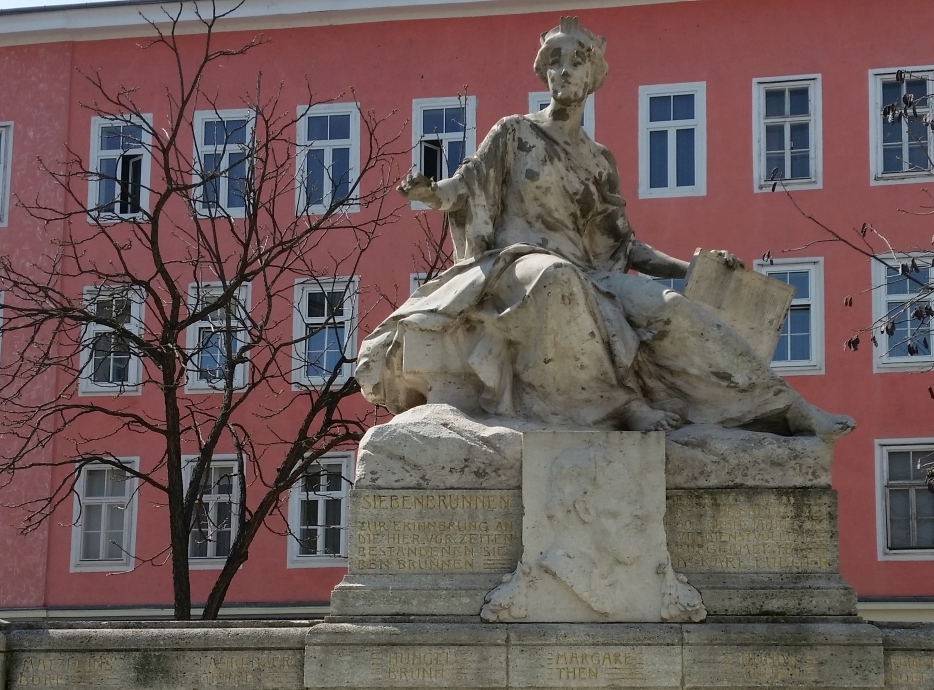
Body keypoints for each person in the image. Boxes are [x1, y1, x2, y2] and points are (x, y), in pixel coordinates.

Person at [358, 17, 853, 441]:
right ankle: (619, 406)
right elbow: (466, 186)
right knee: (555, 280)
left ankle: (785, 407)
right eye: (555, 61)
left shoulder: (598, 162)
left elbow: (623, 244)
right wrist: (430, 193)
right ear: (545, 73)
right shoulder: (515, 133)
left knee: (672, 311)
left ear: (594, 75)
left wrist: (696, 269)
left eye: (576, 61)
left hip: (587, 271)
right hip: (514, 267)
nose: (564, 70)